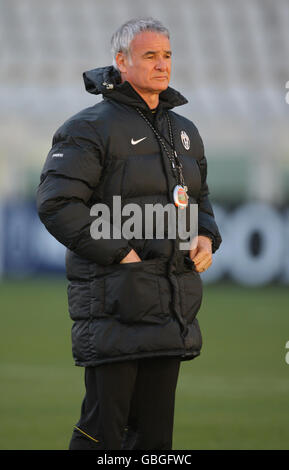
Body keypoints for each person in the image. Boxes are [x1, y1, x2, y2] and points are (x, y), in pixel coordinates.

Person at [36, 17, 222, 450]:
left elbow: (201, 199)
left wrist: (206, 236)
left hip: (171, 308)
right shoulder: (89, 127)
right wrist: (122, 255)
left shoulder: (185, 131)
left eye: (167, 56)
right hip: (114, 303)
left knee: (155, 442)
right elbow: (57, 203)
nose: (162, 65)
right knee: (102, 436)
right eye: (150, 55)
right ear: (121, 61)